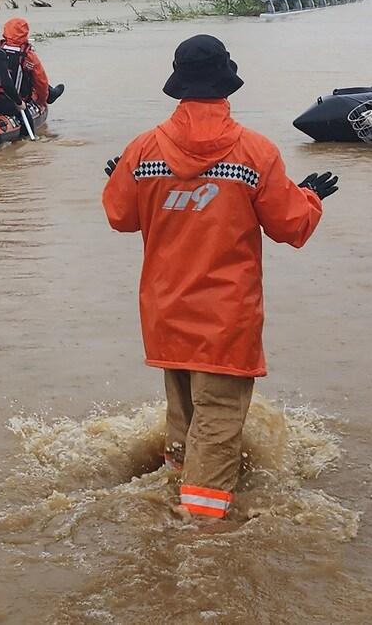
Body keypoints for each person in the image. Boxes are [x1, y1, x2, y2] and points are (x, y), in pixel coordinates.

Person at [101, 35, 335, 523]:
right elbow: (290, 226)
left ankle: (171, 501)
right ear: (226, 83)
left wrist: (125, 177)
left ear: (179, 85)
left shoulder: (142, 150)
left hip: (166, 313)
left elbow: (120, 215)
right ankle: (203, 538)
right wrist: (309, 197)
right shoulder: (256, 152)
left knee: (185, 419)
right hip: (225, 321)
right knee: (220, 423)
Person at [0, 16, 65, 107]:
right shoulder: (29, 56)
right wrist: (41, 101)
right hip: (19, 100)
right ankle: (50, 95)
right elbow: (41, 81)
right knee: (32, 76)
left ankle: (51, 93)